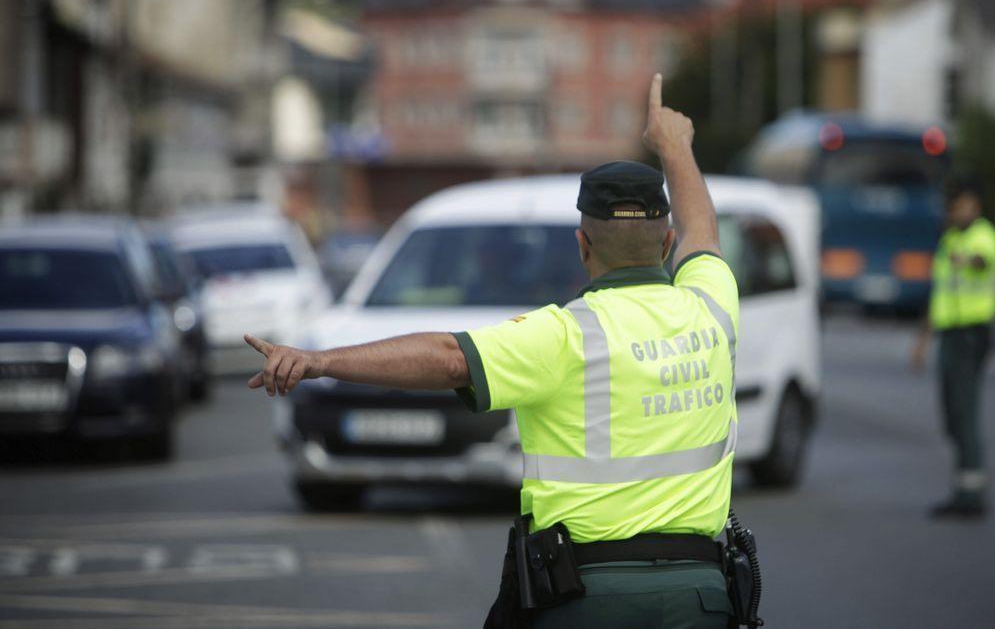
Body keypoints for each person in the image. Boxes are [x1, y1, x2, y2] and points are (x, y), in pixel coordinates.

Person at [243, 74, 742, 627]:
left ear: (582, 246)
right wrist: (675, 145)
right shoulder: (713, 308)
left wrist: (319, 361)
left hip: (591, 599)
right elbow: (704, 229)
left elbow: (449, 357)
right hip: (701, 597)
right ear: (668, 245)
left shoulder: (566, 334)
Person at [910, 181, 995, 519]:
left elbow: (982, 262)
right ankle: (964, 486)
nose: (956, 212)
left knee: (965, 411)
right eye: (953, 207)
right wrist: (922, 340)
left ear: (975, 206)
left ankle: (971, 494)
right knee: (952, 412)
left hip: (972, 333)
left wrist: (963, 257)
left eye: (962, 206)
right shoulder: (949, 240)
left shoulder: (983, 236)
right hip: (949, 334)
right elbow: (940, 295)